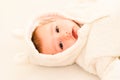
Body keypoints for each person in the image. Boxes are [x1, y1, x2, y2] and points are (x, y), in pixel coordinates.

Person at [15, 1, 120, 80]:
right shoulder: (90, 56)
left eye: (57, 29)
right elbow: (111, 71)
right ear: (64, 56)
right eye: (60, 45)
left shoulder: (78, 9)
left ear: (55, 18)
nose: (64, 36)